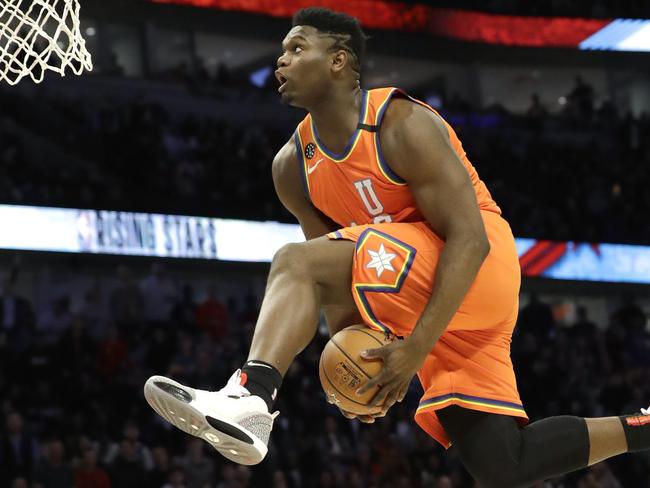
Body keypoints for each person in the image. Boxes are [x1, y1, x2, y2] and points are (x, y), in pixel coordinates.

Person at [145, 8, 650, 486]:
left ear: (339, 60)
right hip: (432, 304)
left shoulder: (400, 123)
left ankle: (251, 394)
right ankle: (642, 429)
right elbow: (337, 287)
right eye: (282, 51)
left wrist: (416, 348)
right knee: (501, 464)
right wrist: (356, 365)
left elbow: (469, 238)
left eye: (297, 48)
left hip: (478, 265)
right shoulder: (292, 168)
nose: (282, 60)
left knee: (291, 262)